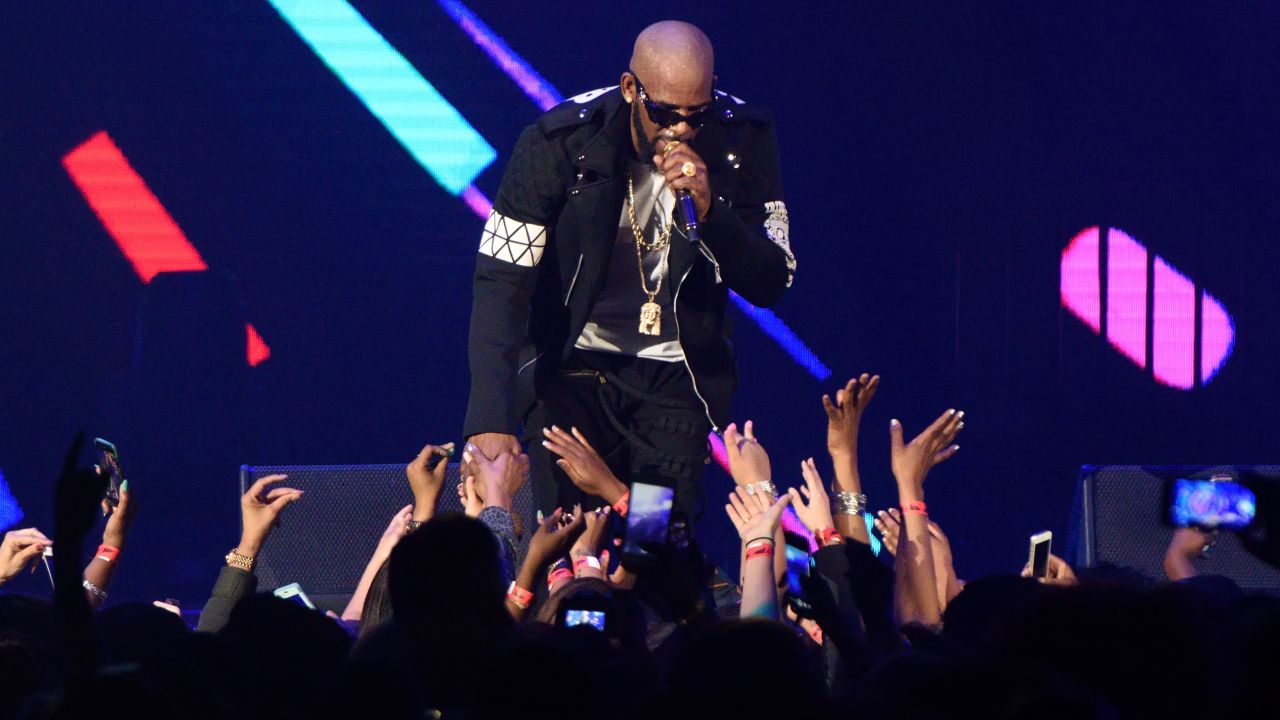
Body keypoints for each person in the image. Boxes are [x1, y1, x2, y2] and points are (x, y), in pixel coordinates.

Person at [464, 20, 794, 519]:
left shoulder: (741, 140)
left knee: (653, 544)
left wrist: (711, 214)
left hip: (675, 385)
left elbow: (771, 281)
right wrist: (491, 415)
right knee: (570, 543)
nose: (680, 129)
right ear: (629, 88)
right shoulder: (560, 142)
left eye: (695, 114)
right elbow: (503, 279)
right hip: (574, 368)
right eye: (663, 112)